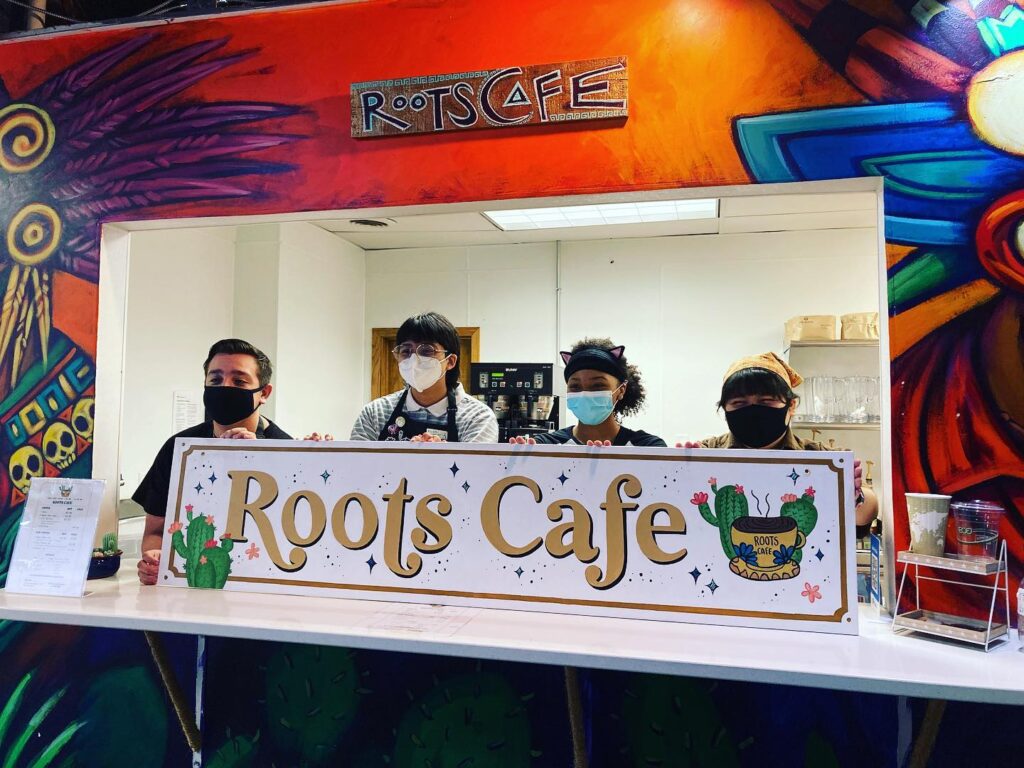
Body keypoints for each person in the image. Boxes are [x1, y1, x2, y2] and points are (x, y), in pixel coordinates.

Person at [135, 338, 291, 585]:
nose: (225, 387)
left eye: (239, 381)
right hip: (192, 594)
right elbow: (155, 532)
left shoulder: (286, 452)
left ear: (264, 393)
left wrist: (261, 457)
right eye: (215, 380)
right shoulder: (179, 448)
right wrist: (154, 560)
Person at [681, 351, 878, 530]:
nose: (753, 411)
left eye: (766, 401)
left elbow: (866, 514)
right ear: (725, 409)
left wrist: (854, 494)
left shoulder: (822, 458)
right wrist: (679, 468)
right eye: (739, 403)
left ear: (791, 406)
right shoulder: (706, 453)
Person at [349, 312, 498, 443]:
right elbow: (355, 466)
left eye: (426, 351)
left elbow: (475, 471)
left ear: (450, 361)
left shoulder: (477, 417)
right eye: (406, 351)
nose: (414, 360)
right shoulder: (376, 413)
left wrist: (442, 458)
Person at [513, 339, 666, 447]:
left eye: (598, 385)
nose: (584, 393)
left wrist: (687, 463)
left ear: (621, 390)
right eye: (575, 386)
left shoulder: (647, 447)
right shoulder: (546, 445)